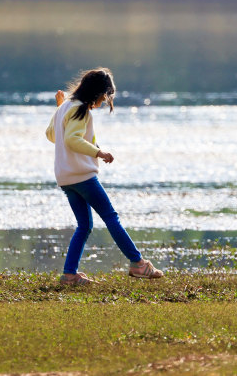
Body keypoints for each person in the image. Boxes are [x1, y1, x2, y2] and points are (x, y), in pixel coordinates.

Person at [46, 67, 163, 285]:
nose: (103, 101)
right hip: (81, 176)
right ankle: (138, 263)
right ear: (97, 93)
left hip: (65, 178)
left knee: (84, 225)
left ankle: (69, 274)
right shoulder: (80, 109)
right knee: (111, 217)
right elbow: (71, 139)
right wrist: (98, 152)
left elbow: (52, 135)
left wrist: (59, 108)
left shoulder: (66, 107)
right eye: (104, 96)